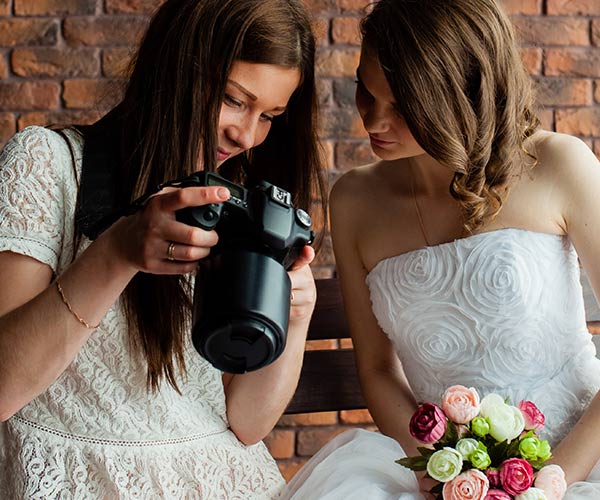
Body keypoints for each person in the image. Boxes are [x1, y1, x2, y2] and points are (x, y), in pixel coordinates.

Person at [0, 0, 327, 497]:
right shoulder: (48, 163)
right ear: (176, 71)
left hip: (224, 477)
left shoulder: (240, 203)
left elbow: (246, 425)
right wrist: (117, 253)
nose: (245, 134)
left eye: (270, 115)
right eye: (233, 99)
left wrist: (295, 318)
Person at [280, 0, 600, 498]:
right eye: (365, 88)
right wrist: (437, 473)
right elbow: (379, 371)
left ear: (461, 95)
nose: (373, 119)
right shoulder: (354, 201)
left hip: (584, 456)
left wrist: (550, 483)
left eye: (403, 106)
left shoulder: (559, 164)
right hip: (445, 475)